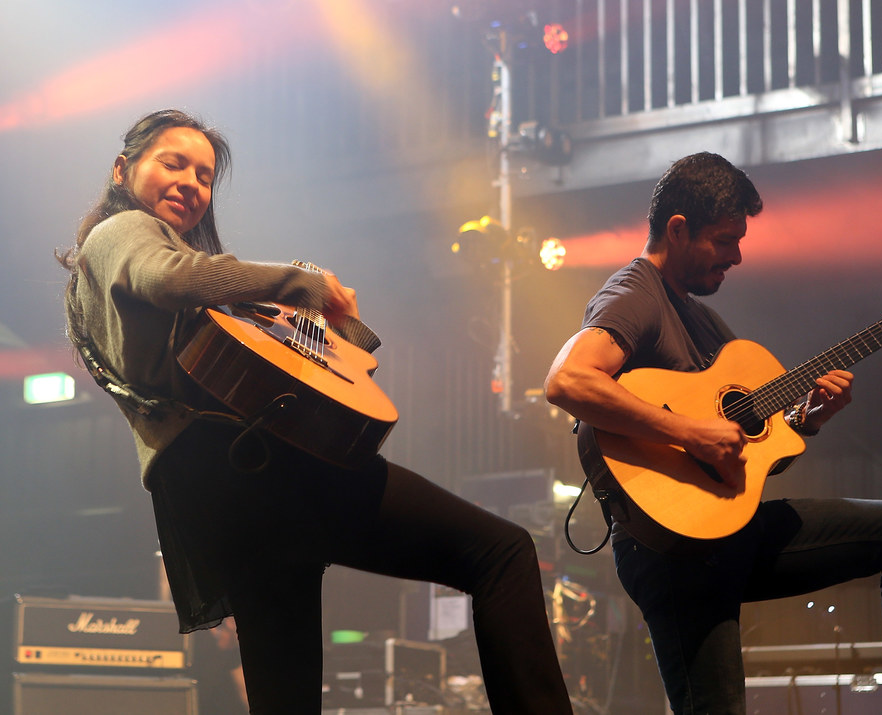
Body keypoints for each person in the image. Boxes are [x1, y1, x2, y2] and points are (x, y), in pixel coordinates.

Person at [56, 109, 573, 715]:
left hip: (217, 486)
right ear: (123, 170)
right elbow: (168, 274)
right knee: (501, 553)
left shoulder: (137, 280)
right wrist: (303, 283)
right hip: (255, 467)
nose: (191, 184)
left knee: (286, 697)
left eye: (204, 177)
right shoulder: (122, 233)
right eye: (174, 164)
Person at [544, 152, 882, 714]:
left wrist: (804, 422)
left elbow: (748, 448)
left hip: (730, 531)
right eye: (724, 240)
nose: (737, 256)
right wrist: (690, 432)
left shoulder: (705, 322)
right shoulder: (635, 293)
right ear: (678, 229)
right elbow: (568, 380)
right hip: (673, 552)